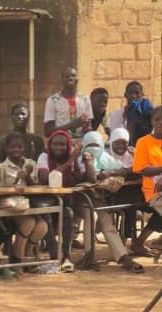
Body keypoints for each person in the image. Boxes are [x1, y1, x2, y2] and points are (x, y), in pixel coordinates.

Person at [80, 131, 142, 272]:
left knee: (107, 223)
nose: (93, 148)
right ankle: (88, 255)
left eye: (97, 145)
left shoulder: (105, 158)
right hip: (78, 200)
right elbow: (90, 178)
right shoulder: (79, 160)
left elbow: (123, 170)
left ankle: (123, 257)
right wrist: (88, 162)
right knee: (90, 216)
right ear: (84, 146)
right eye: (90, 145)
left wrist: (110, 172)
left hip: (97, 199)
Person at [37, 130, 95, 271]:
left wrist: (88, 162)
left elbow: (91, 178)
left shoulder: (75, 158)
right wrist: (70, 161)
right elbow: (46, 179)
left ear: (68, 145)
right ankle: (53, 253)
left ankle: (66, 255)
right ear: (50, 145)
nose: (59, 147)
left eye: (63, 144)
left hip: (67, 201)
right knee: (47, 216)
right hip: (47, 200)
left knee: (68, 214)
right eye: (55, 144)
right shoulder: (44, 157)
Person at [0, 132, 48, 265]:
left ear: (24, 148)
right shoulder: (2, 167)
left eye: (19, 147)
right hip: (11, 206)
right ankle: (18, 255)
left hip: (29, 205)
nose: (16, 150)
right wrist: (16, 180)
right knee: (28, 223)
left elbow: (36, 186)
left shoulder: (30, 164)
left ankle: (28, 252)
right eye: (12, 147)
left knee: (42, 226)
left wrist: (28, 176)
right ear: (6, 149)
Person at [129, 105, 162, 255]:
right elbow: (143, 169)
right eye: (157, 119)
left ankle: (140, 243)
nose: (161, 122)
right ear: (151, 122)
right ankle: (141, 243)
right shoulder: (143, 142)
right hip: (153, 190)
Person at [43, 67, 91, 141]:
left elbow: (89, 127)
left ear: (78, 79)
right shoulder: (52, 100)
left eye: (74, 76)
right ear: (61, 79)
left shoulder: (85, 99)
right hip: (61, 145)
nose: (71, 78)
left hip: (81, 144)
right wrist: (72, 125)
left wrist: (87, 128)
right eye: (67, 76)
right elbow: (48, 132)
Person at [108, 81, 155, 146]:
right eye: (130, 93)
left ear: (142, 94)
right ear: (125, 95)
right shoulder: (116, 115)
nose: (134, 96)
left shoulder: (149, 112)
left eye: (137, 93)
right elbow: (115, 136)